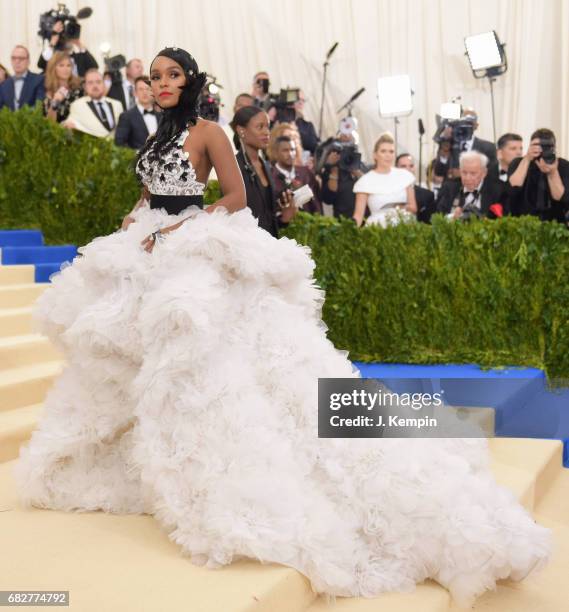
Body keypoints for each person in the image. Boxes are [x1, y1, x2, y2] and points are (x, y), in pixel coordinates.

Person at [14, 46, 550, 609]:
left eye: (172, 75)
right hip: (145, 244)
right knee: (127, 346)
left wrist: (174, 232)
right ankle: (148, 461)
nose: (162, 83)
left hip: (190, 245)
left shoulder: (209, 132)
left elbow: (237, 196)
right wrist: (134, 217)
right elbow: (150, 193)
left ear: (190, 80)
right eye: (154, 77)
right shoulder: (155, 138)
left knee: (200, 344)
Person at [232, 105, 295, 236]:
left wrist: (284, 217)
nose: (267, 132)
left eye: (268, 126)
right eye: (260, 127)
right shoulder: (234, 166)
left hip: (269, 243)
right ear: (241, 130)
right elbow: (231, 215)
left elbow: (267, 218)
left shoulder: (266, 166)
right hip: (246, 244)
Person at [353, 133, 417, 227]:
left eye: (391, 152)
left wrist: (397, 207)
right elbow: (358, 215)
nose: (388, 155)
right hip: (377, 231)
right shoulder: (365, 182)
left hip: (404, 228)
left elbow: (413, 207)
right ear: (375, 155)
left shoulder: (405, 176)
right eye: (383, 151)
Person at [508, 128, 569, 222]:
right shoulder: (517, 163)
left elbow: (560, 197)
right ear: (529, 146)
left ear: (554, 148)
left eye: (547, 146)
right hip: (522, 221)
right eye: (536, 145)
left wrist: (552, 172)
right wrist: (527, 159)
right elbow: (514, 187)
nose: (541, 149)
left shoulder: (563, 165)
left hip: (554, 223)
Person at [436, 150, 507, 220]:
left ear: (484, 173)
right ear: (460, 171)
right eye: (464, 172)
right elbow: (437, 216)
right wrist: (451, 217)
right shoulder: (449, 187)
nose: (467, 178)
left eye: (473, 173)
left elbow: (504, 220)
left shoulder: (499, 189)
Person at [65, 69, 123, 138]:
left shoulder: (117, 104)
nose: (95, 86)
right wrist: (68, 129)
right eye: (90, 83)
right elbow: (69, 130)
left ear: (104, 85)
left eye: (98, 82)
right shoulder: (77, 105)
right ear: (85, 86)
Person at [271, 136, 322, 214]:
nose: (290, 154)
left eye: (292, 150)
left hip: (309, 223)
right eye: (285, 150)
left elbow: (317, 203)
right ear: (275, 153)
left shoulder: (306, 172)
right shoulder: (270, 177)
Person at [115, 76, 159, 150]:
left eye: (148, 89)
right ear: (135, 93)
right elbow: (119, 144)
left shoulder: (162, 116)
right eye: (141, 89)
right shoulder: (126, 116)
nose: (145, 92)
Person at [42, 51, 83, 123]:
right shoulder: (44, 90)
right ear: (53, 68)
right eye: (61, 65)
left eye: (68, 65)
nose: (66, 69)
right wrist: (55, 103)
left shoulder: (79, 89)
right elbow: (48, 123)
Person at [0, 46, 45, 111]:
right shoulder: (4, 85)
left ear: (28, 61)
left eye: (21, 58)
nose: (17, 61)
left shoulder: (39, 80)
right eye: (14, 58)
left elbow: (39, 104)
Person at [396, 153, 436, 223]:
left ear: (415, 168)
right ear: (396, 169)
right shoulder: (389, 192)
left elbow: (429, 224)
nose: (408, 169)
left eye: (411, 166)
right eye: (403, 166)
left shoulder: (427, 195)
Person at [294, 90, 319, 155]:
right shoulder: (279, 121)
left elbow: (314, 146)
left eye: (303, 100)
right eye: (297, 99)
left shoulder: (308, 126)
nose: (301, 103)